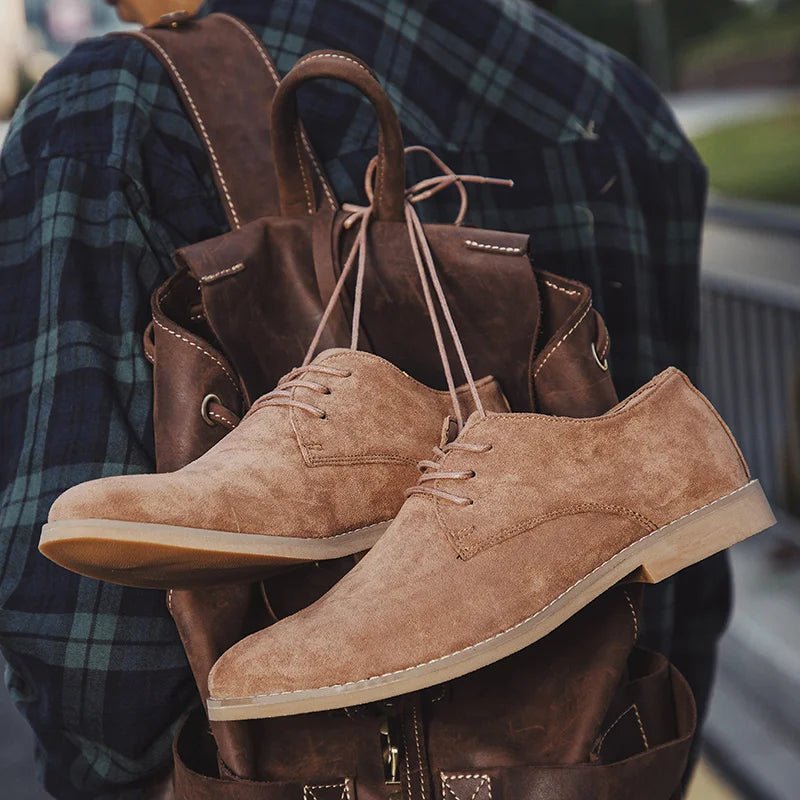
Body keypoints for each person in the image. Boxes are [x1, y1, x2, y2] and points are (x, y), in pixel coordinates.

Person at [0, 0, 720, 797]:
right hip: (612, 762)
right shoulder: (622, 100)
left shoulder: (109, 107)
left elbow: (83, 639)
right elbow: (673, 522)